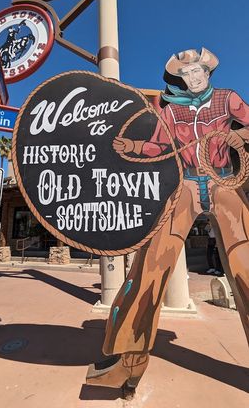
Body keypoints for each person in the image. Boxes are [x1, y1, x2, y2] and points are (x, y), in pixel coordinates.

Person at [87, 48, 249, 392]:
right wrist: (132, 146)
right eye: (188, 72)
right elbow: (159, 146)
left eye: (200, 70)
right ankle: (127, 361)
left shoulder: (227, 98)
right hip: (186, 184)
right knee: (149, 266)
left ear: (207, 71)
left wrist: (239, 137)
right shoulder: (169, 109)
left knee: (247, 265)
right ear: (181, 76)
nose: (195, 76)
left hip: (222, 181)